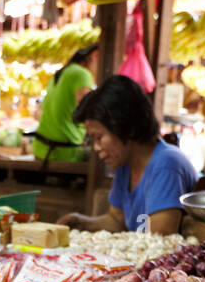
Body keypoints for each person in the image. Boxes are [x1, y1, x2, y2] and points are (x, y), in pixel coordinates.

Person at [58, 75, 197, 235]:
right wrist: (81, 222)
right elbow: (117, 221)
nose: (95, 147)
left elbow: (159, 238)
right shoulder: (125, 164)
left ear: (124, 127)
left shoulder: (167, 164)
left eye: (99, 137)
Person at [29, 43, 98, 163]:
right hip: (63, 153)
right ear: (95, 56)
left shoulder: (63, 72)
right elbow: (87, 111)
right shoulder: (82, 74)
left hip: (42, 149)